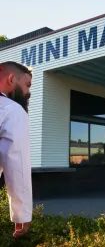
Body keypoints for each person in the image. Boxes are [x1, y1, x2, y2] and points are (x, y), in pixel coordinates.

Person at [0, 61, 33, 238]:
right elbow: (16, 162)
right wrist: (23, 213)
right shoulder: (11, 109)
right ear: (11, 79)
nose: (28, 92)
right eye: (27, 85)